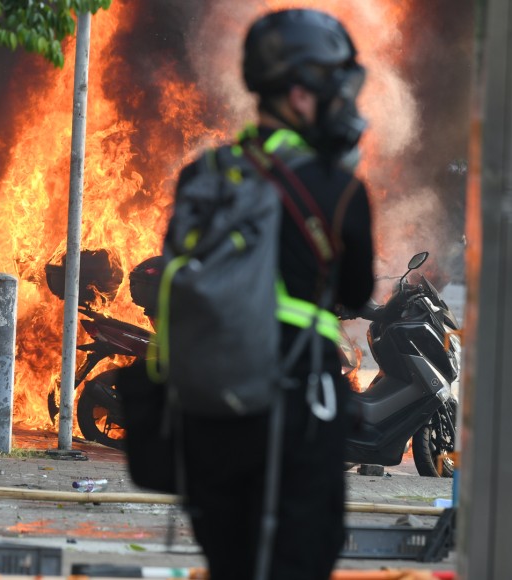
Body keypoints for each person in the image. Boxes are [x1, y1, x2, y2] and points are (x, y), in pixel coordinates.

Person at [177, 9, 375, 580]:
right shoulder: (339, 189)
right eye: (333, 90)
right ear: (298, 93)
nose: (341, 103)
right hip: (301, 410)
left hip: (210, 413)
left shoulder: (205, 175)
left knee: (229, 561)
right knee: (300, 559)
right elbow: (357, 290)